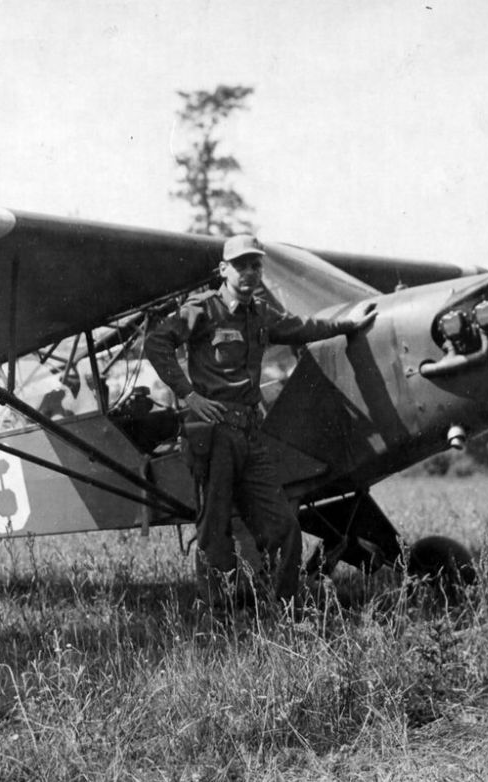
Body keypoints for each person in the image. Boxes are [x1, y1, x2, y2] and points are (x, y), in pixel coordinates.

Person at [144, 234, 376, 613]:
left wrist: (349, 325)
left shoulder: (260, 314)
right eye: (241, 265)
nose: (250, 272)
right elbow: (157, 343)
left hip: (251, 435)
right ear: (223, 270)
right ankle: (220, 617)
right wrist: (189, 395)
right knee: (215, 530)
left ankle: (281, 612)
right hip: (214, 435)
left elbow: (303, 327)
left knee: (284, 526)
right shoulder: (202, 309)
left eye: (256, 265)